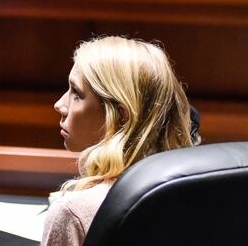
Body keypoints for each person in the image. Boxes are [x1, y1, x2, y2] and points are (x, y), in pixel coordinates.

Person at [42, 36, 196, 246]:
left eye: (76, 93)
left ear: (121, 116)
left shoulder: (73, 213)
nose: (59, 105)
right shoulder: (194, 199)